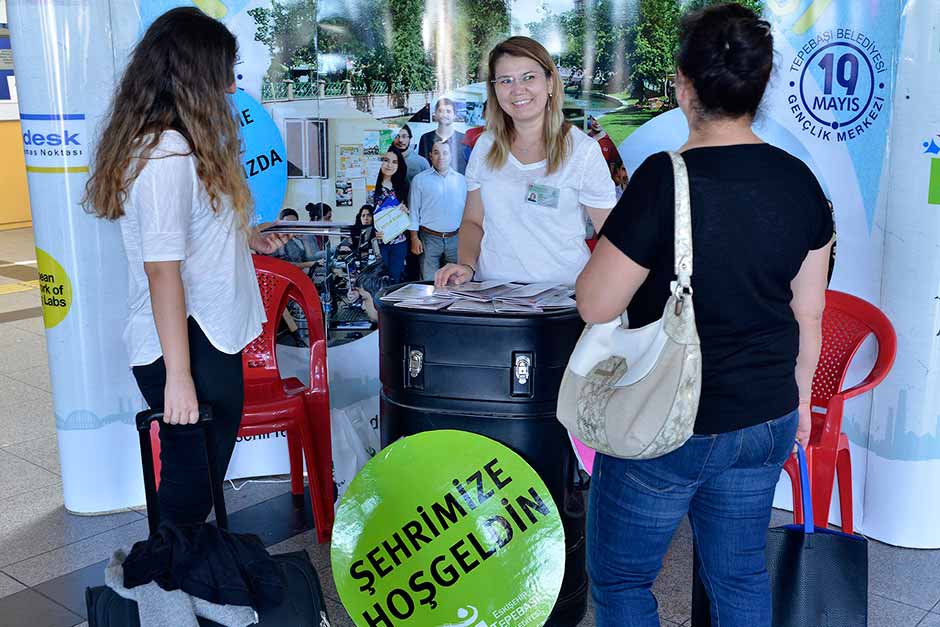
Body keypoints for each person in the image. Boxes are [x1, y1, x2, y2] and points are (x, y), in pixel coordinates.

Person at [574, 5, 834, 626]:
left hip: (667, 419)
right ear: (760, 86)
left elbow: (595, 302)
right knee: (740, 576)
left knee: (622, 581)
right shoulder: (801, 181)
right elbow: (811, 312)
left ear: (683, 85)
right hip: (765, 414)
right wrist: (798, 405)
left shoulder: (663, 180)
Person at [82, 7, 288, 525]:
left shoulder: (180, 147)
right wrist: (178, 378)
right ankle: (163, 591)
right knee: (190, 491)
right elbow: (162, 271)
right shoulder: (165, 156)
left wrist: (246, 238)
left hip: (207, 336)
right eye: (224, 76)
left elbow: (193, 235)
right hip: (187, 345)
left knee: (197, 484)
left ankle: (180, 583)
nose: (230, 90)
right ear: (195, 77)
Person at [434, 36, 616, 289]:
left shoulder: (583, 151)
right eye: (506, 80)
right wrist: (467, 265)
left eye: (529, 77)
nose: (517, 89)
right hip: (495, 299)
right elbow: (473, 221)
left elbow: (613, 237)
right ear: (495, 90)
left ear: (550, 82)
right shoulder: (485, 146)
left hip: (563, 302)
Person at [408, 140, 468, 280]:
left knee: (455, 281)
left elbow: (468, 212)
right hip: (429, 239)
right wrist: (414, 238)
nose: (441, 157)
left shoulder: (462, 180)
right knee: (428, 281)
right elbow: (413, 210)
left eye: (445, 153)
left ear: (451, 156)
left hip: (455, 238)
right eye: (436, 153)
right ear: (430, 156)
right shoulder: (420, 180)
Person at [373, 148, 410, 283]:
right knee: (377, 280)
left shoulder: (403, 185)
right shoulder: (372, 186)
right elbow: (364, 215)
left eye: (394, 162)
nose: (390, 165)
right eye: (386, 160)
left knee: (394, 281)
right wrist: (373, 232)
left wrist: (406, 211)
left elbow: (409, 212)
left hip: (399, 242)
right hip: (379, 243)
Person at [418, 98, 468, 174]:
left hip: (459, 184)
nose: (444, 115)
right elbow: (423, 167)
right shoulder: (425, 138)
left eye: (448, 111)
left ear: (454, 115)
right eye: (440, 111)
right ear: (435, 114)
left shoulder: (465, 139)